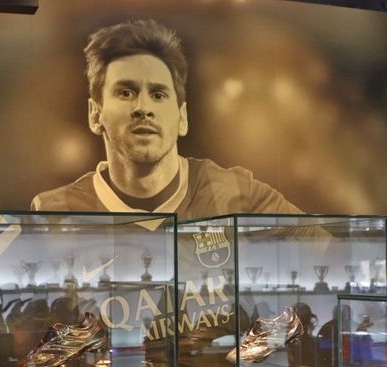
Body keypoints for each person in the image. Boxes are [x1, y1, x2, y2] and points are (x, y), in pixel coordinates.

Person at [31, 19, 303, 220]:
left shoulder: (238, 194)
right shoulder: (53, 212)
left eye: (158, 95)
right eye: (126, 92)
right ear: (95, 114)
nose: (143, 108)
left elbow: (324, 250)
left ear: (182, 117)